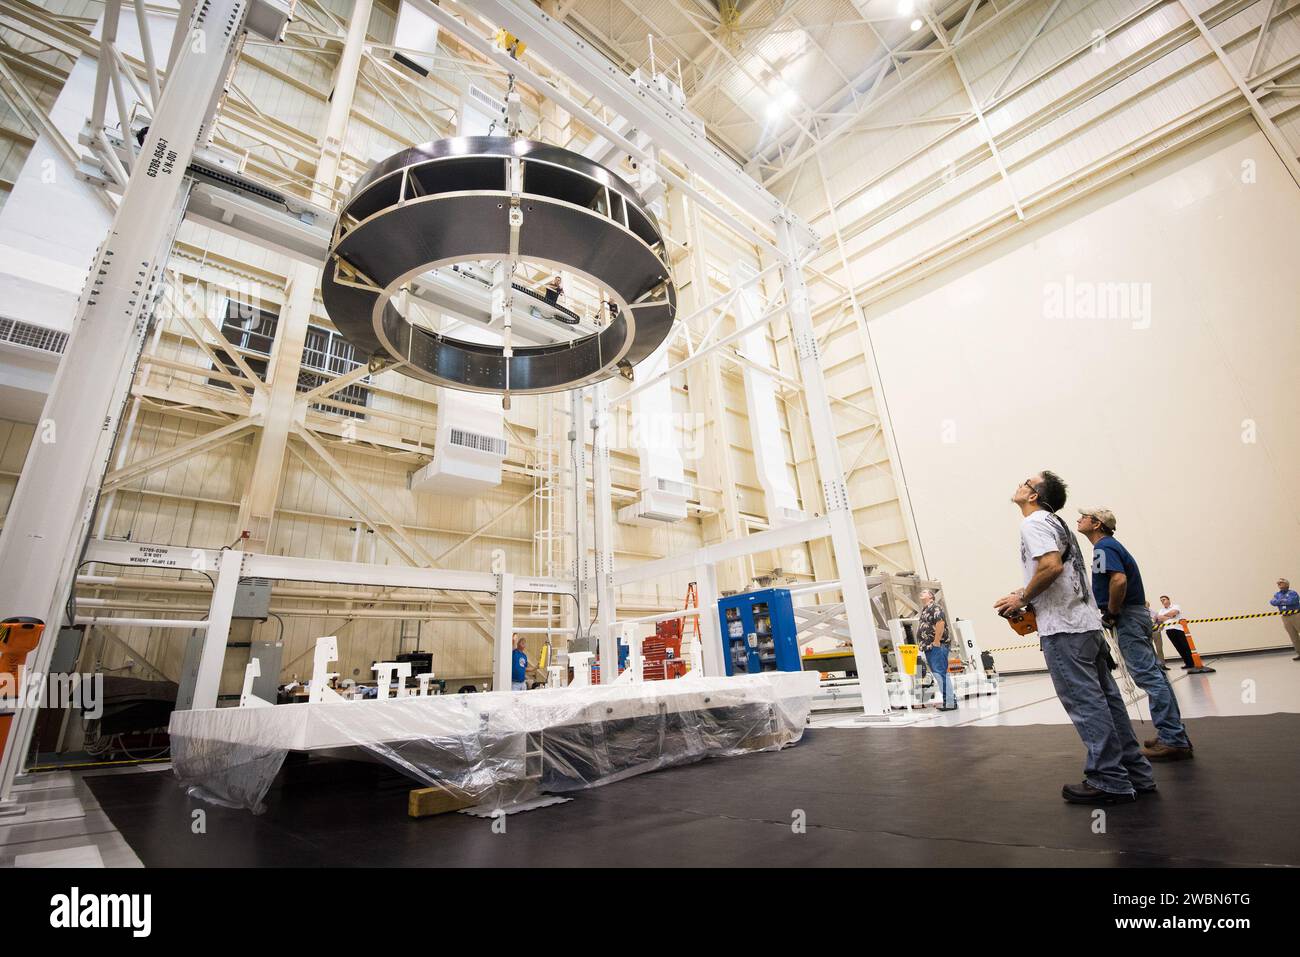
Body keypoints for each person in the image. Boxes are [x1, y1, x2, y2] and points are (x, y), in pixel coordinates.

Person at [994, 471, 1155, 805]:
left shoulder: (1033, 524)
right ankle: (1136, 774)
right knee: (1109, 701)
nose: (1019, 484)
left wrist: (1022, 598)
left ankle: (1109, 780)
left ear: (1034, 495)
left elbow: (1050, 567)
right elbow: (1059, 571)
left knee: (1086, 705)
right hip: (1087, 624)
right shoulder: (1059, 524)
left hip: (1064, 629)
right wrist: (1026, 591)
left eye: (1026, 481)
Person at [1077, 508, 1193, 761]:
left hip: (1127, 615)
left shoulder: (1103, 548)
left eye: (1084, 517)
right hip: (1137, 614)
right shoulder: (1110, 546)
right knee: (1156, 675)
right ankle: (1173, 733)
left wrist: (1112, 612)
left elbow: (1117, 581)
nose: (1079, 520)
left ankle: (1173, 738)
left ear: (1097, 524)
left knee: (1149, 677)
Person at [917, 589, 956, 710]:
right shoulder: (925, 610)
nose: (921, 593)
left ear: (931, 597)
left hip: (937, 646)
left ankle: (949, 702)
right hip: (929, 647)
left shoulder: (935, 607)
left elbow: (940, 623)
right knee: (939, 674)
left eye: (924, 592)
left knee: (940, 674)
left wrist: (937, 641)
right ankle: (949, 701)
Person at [1153, 595, 1196, 670]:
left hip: (1178, 629)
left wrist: (1165, 616)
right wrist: (1170, 616)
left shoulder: (1176, 606)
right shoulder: (1161, 610)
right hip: (1169, 630)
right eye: (1161, 601)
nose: (1163, 601)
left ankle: (1192, 662)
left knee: (1185, 646)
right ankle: (1187, 663)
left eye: (1164, 599)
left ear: (1168, 600)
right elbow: (1159, 618)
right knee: (1178, 647)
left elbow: (1174, 612)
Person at [1270, 578, 1300, 660]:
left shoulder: (1292, 593)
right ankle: (1299, 653)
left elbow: (1292, 601)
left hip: (1296, 615)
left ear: (1287, 584)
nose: (1279, 585)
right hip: (1285, 617)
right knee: (1293, 636)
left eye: (1281, 583)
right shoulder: (1277, 594)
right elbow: (1272, 602)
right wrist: (1283, 600)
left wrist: (1279, 601)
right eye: (1278, 583)